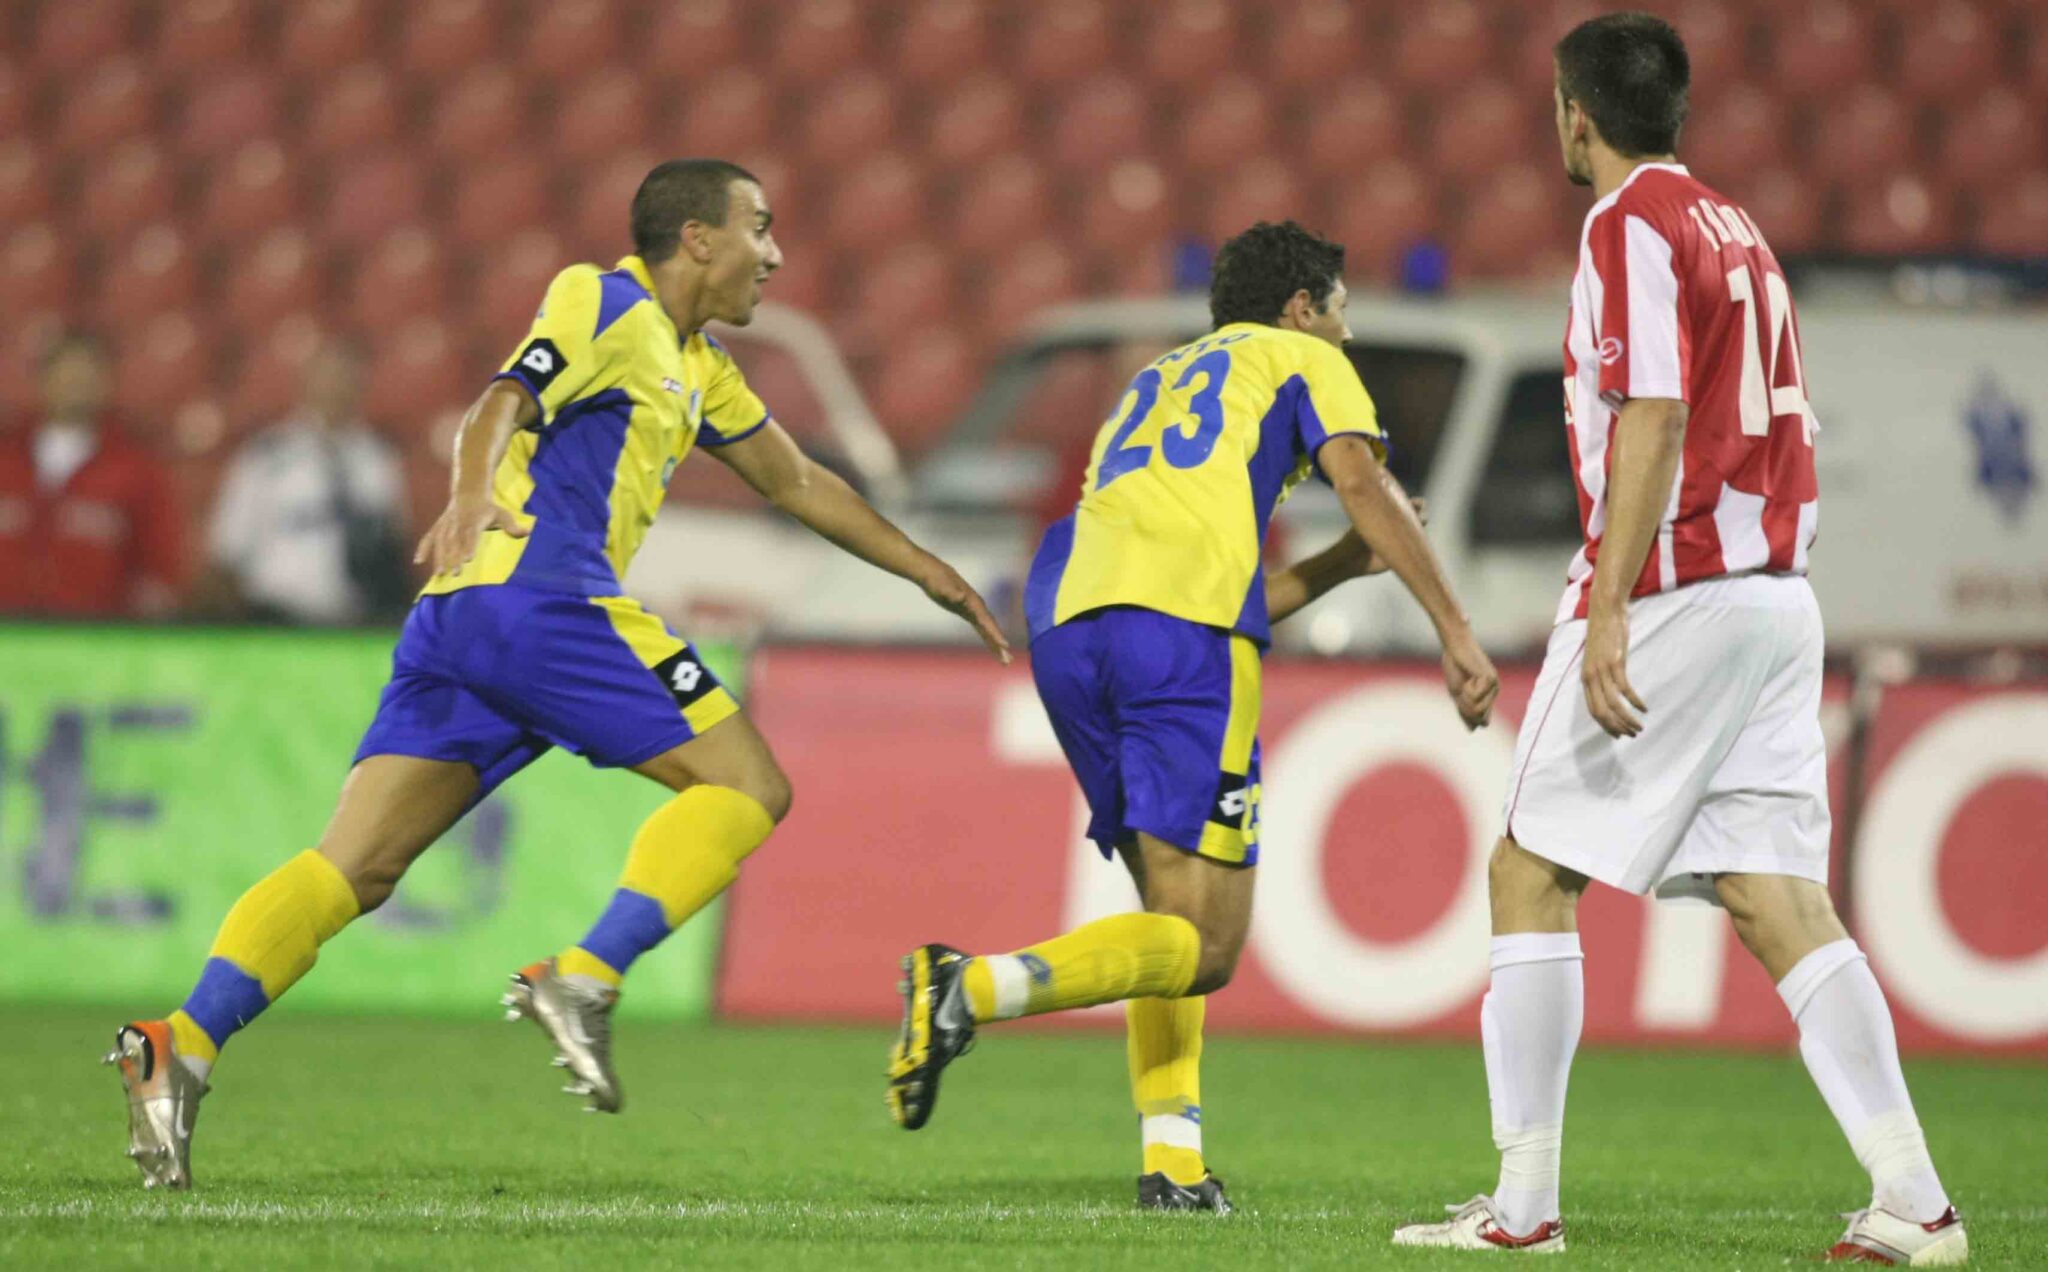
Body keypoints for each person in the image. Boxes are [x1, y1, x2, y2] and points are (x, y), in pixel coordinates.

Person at [106, 158, 1009, 1190]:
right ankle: (585, 976)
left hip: (461, 621)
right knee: (749, 785)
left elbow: (796, 479)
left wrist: (928, 570)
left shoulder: (700, 364)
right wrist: (467, 493)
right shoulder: (604, 301)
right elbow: (503, 398)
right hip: (540, 598)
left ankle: (179, 1045)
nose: (773, 253)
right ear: (698, 238)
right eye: (758, 227)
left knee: (355, 867)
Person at [1391, 15, 1966, 1264]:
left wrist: (1607, 605)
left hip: (1677, 591)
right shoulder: (1734, 226)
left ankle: (1521, 1211)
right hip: (1774, 598)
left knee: (1527, 869)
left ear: (1574, 115)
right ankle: (1914, 1203)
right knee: (1777, 899)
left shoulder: (1625, 225)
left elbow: (1649, 412)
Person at [887, 221, 1501, 1211]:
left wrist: (1342, 565)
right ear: (1301, 307)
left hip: (1069, 621)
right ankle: (969, 988)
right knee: (1207, 947)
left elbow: (1223, 589)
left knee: (1165, 919)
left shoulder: (1158, 379)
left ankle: (1172, 1163)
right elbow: (1360, 480)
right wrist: (1455, 631)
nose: (1344, 335)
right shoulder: (1301, 357)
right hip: (1178, 637)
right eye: (1339, 312)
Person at [195, 336, 412, 625]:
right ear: (306, 382)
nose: (335, 387)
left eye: (345, 378)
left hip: (352, 621)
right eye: (327, 377)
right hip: (275, 617)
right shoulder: (265, 455)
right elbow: (228, 548)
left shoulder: (377, 458)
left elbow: (392, 545)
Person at [0, 331, 183, 618]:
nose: (75, 384)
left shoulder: (137, 470)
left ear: (107, 383)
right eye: (66, 374)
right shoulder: (7, 459)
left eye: (86, 375)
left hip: (97, 630)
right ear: (42, 380)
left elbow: (158, 565)